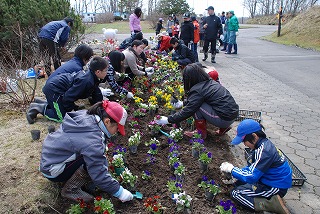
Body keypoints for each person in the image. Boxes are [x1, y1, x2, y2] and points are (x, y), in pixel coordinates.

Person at [39, 100, 134, 203]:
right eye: (117, 128)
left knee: (94, 154)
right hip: (53, 170)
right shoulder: (93, 141)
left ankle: (82, 181)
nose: (117, 132)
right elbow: (98, 173)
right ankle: (71, 190)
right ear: (107, 121)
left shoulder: (88, 116)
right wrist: (120, 192)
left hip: (50, 158)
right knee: (91, 160)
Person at [220, 119, 291, 214]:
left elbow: (251, 176)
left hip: (275, 187)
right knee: (238, 183)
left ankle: (270, 204)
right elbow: (252, 168)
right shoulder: (262, 145)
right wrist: (235, 175)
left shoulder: (264, 152)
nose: (244, 144)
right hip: (269, 180)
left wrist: (232, 169)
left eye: (244, 141)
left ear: (254, 136)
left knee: (236, 193)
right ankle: (269, 199)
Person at [155, 63, 239, 139]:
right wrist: (182, 103)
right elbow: (196, 100)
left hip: (224, 119)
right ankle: (224, 128)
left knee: (197, 107)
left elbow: (189, 110)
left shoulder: (198, 89)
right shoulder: (209, 82)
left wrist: (168, 120)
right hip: (232, 115)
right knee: (200, 103)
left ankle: (200, 133)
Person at [26, 56, 108, 124]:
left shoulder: (92, 76)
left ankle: (42, 102)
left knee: (62, 108)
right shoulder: (86, 81)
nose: (107, 72)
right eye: (105, 70)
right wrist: (70, 109)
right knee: (62, 118)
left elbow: (96, 93)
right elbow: (68, 97)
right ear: (98, 72)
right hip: (54, 90)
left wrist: (101, 107)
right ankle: (37, 108)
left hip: (59, 88)